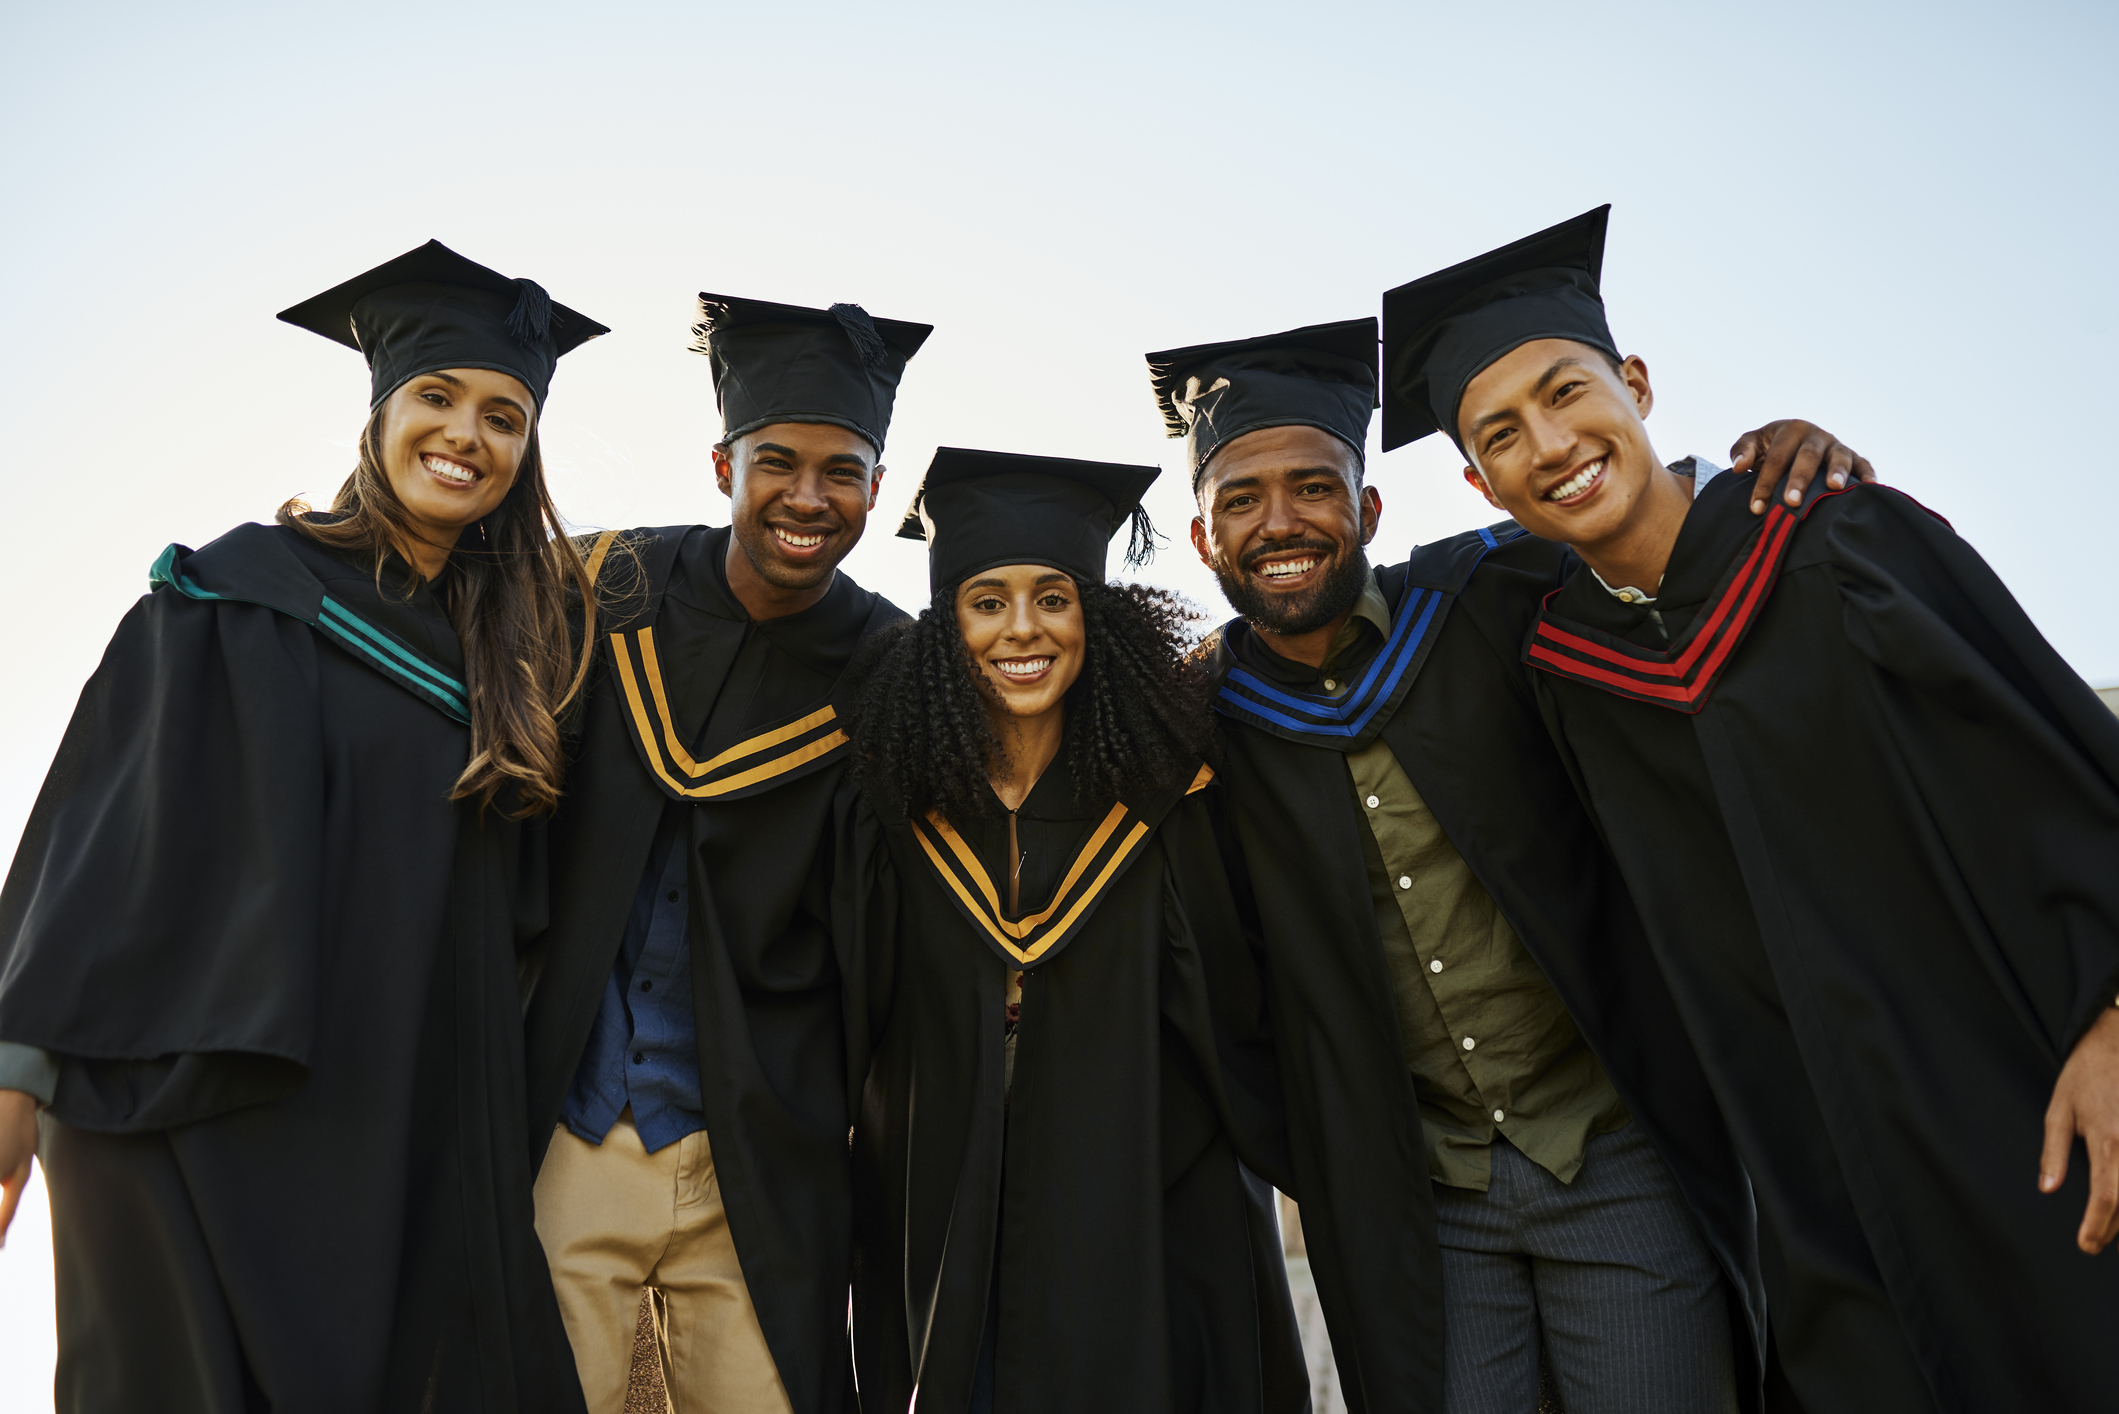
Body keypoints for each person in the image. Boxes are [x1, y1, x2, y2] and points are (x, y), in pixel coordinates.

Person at [1388, 204, 2119, 1413]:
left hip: (2022, 1108)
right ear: (1477, 480)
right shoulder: (1571, 675)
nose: (1552, 443)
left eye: (1569, 392)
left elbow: (2056, 780)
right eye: (1501, 433)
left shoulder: (1844, 547)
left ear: (1636, 384)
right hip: (1819, 1200)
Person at [1156, 315, 1872, 1414]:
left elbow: (1649, 544)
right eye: (1239, 500)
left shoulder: (1494, 597)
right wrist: (1337, 1160)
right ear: (1204, 541)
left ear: (1369, 508)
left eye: (1313, 486)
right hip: (1418, 1204)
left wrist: (1770, 471)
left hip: (1613, 1156)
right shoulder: (1194, 728)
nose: (1280, 521)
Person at [0, 241, 605, 1412]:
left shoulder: (510, 666)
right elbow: (94, 835)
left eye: (503, 415)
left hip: (390, 1138)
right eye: (437, 398)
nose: (466, 436)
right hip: (195, 1109)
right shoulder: (242, 596)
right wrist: (15, 1073)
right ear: (379, 418)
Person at [836, 447, 1306, 1414]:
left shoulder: (1169, 800)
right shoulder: (897, 812)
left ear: (1096, 617)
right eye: (986, 601)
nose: (1023, 628)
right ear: (945, 626)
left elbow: (1237, 1009)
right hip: (944, 1208)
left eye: (1054, 598)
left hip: (1140, 1205)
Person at [520, 294, 924, 1414]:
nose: (808, 496)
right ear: (722, 463)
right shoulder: (601, 593)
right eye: (776, 463)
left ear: (876, 489)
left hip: (762, 1150)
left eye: (842, 470)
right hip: (572, 1130)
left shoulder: (892, 667)